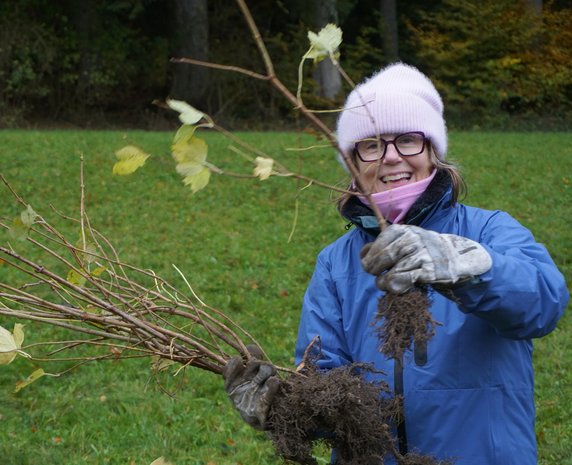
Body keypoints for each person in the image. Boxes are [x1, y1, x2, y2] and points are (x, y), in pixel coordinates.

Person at [223, 63, 569, 464]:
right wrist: (286, 410)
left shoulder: (489, 230)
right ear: (352, 161)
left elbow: (543, 305)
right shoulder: (337, 264)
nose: (390, 158)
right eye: (371, 144)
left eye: (407, 140)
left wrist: (469, 266)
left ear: (433, 151)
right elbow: (329, 390)